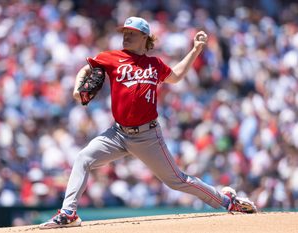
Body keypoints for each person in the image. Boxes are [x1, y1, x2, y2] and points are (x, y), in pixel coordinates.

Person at [39, 16, 257, 229]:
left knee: (177, 180)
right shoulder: (112, 57)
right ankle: (68, 213)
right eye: (124, 33)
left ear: (145, 37)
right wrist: (78, 91)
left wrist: (196, 49)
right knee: (83, 158)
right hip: (117, 134)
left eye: (131, 34)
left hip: (147, 136)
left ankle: (228, 201)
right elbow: (86, 69)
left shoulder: (154, 64)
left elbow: (176, 76)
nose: (126, 37)